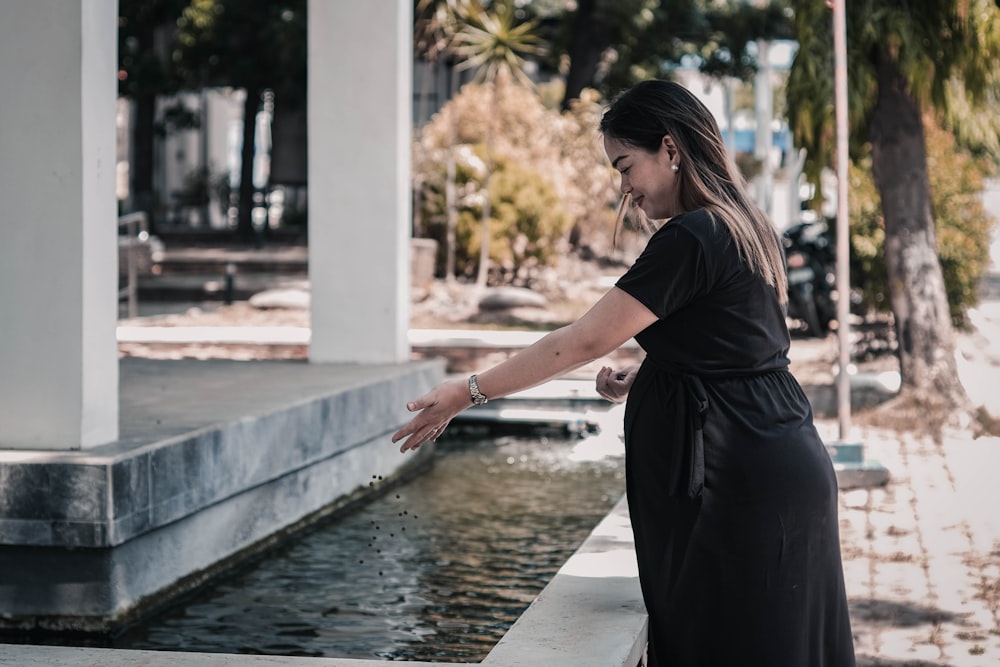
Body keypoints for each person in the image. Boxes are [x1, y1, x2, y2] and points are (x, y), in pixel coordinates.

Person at [392, 79, 856, 666]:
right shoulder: (743, 223)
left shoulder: (693, 235)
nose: (625, 188)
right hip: (773, 458)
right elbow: (742, 346)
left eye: (625, 166)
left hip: (735, 482)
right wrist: (652, 375)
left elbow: (581, 341)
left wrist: (468, 390)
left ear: (670, 148)